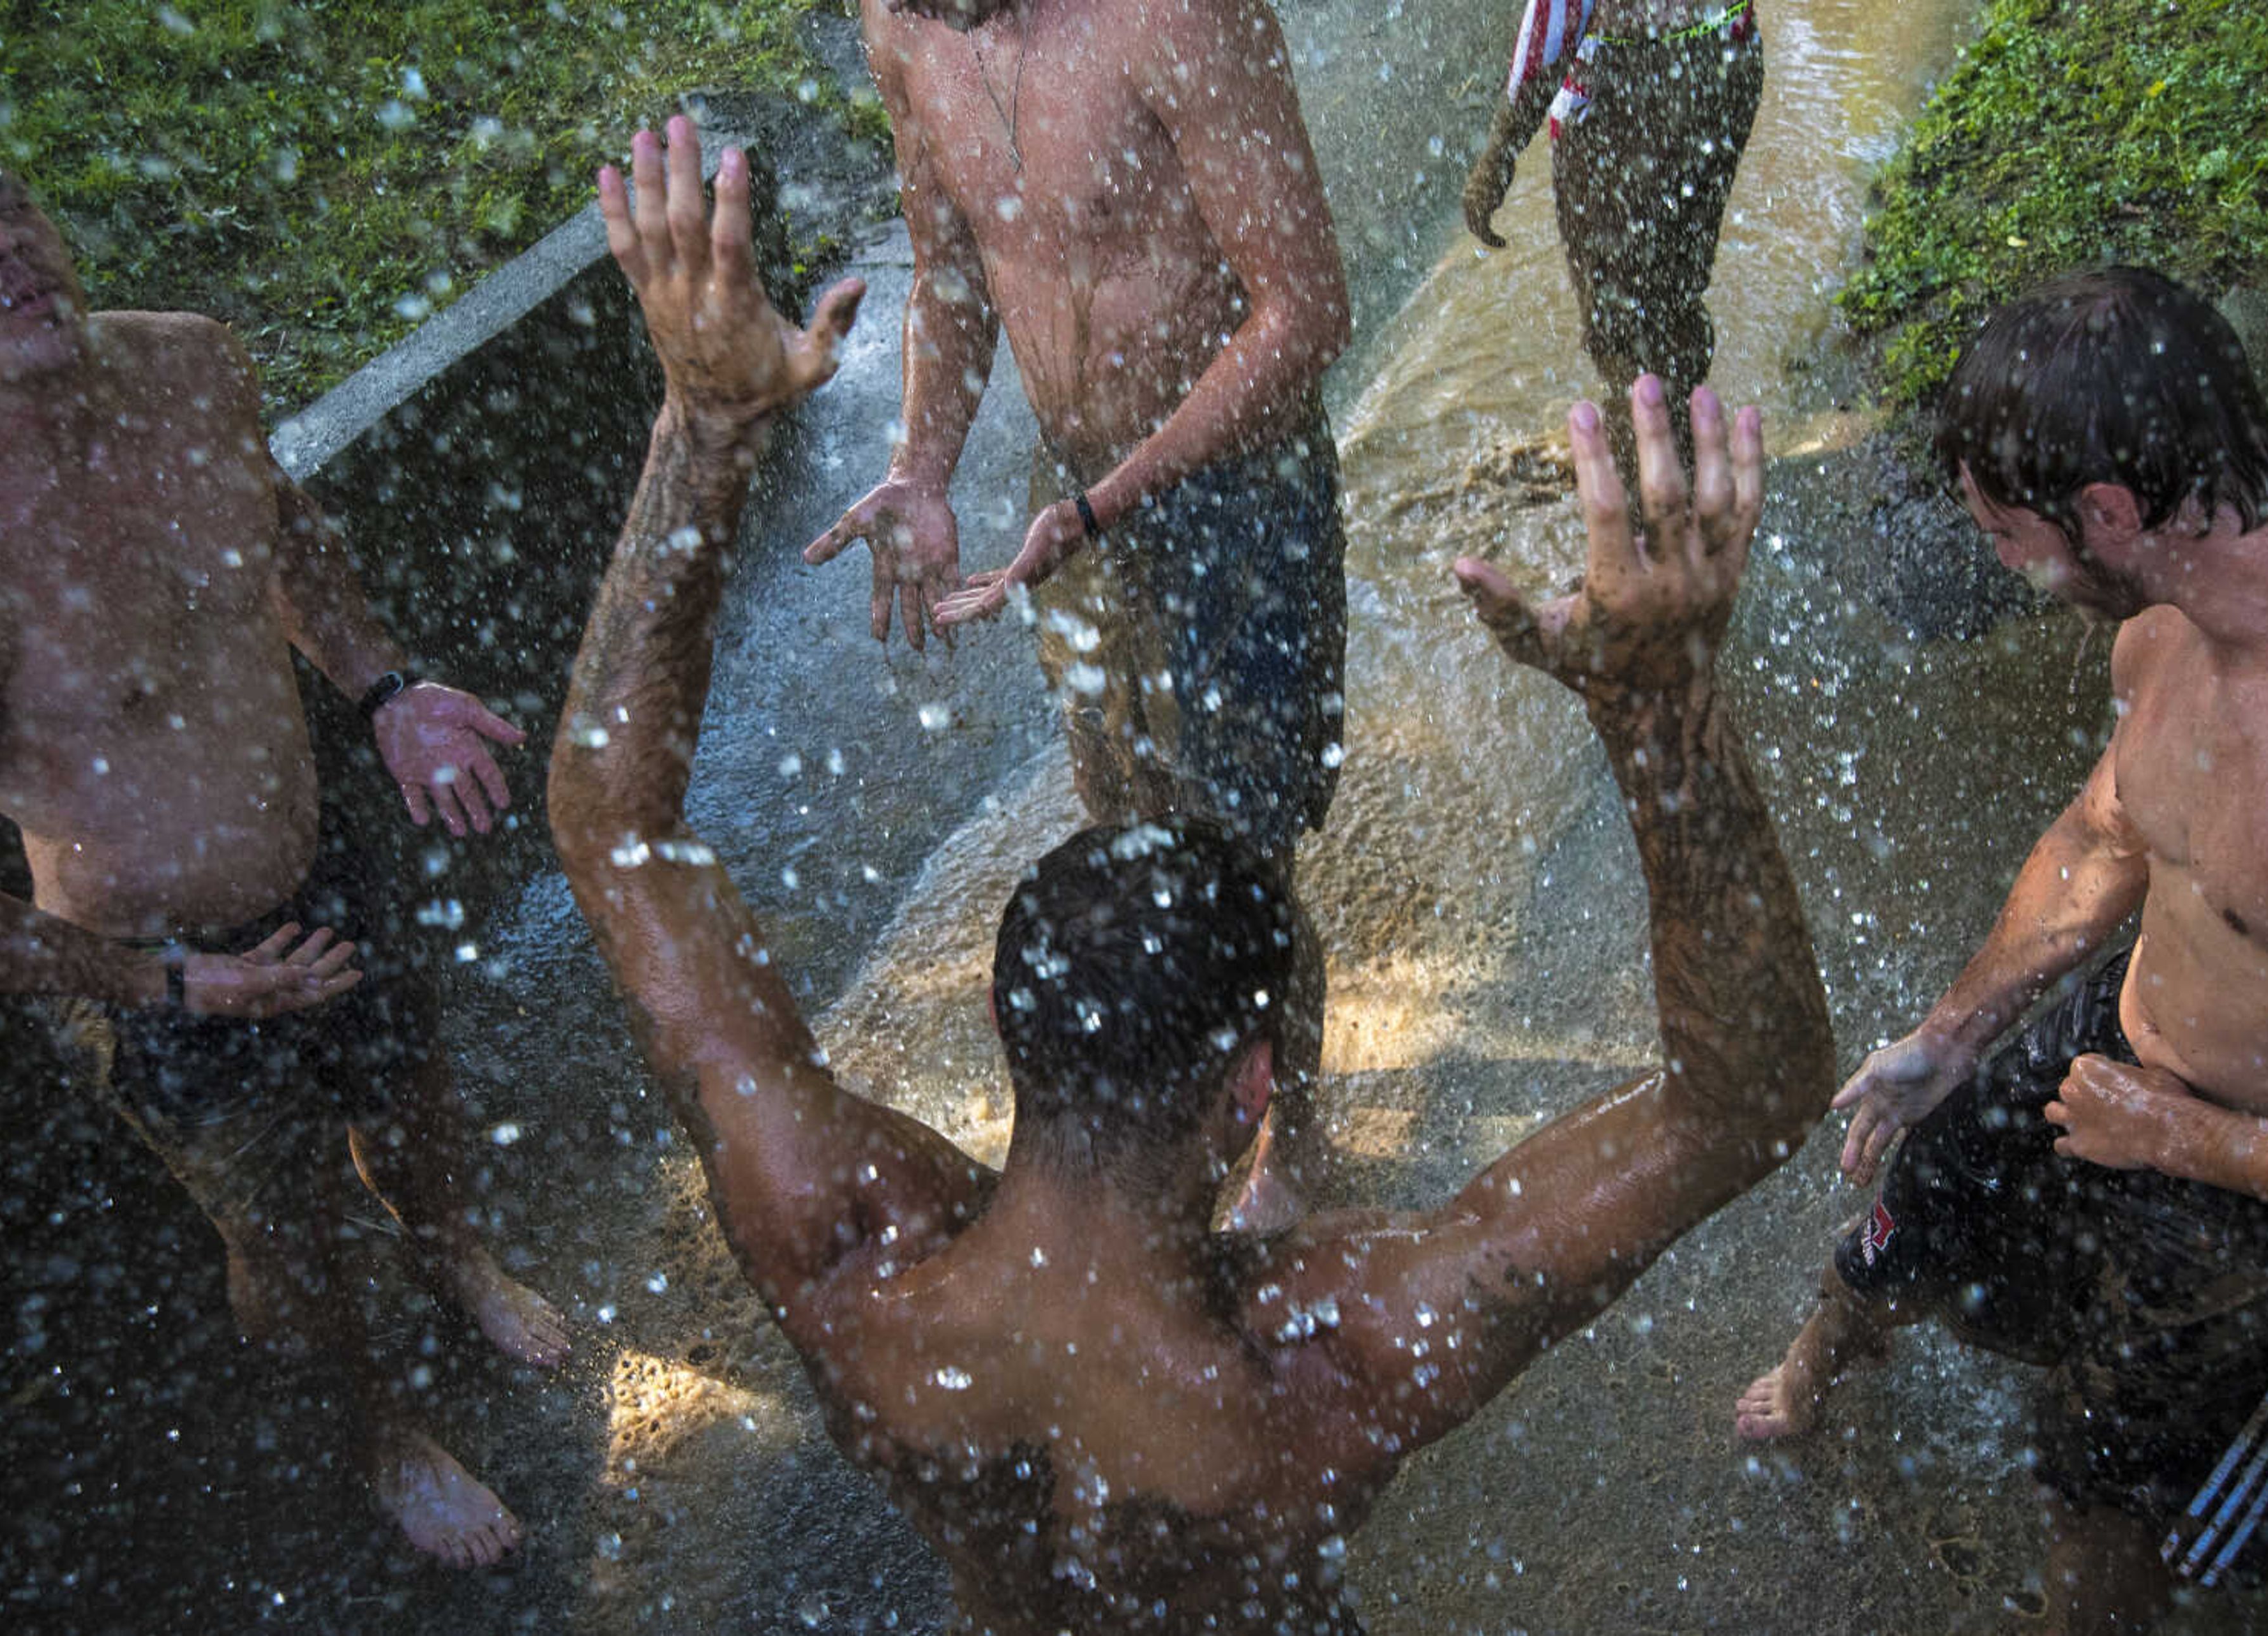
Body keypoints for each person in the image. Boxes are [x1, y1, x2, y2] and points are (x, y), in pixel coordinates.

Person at [552, 116, 1832, 1633]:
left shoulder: (845, 1254)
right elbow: (1745, 1101)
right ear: (1245, 1093)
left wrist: (702, 431)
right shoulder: (1335, 1356)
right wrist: (1661, 715)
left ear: (1005, 1025)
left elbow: (607, 825)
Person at [0, 105, 568, 1568]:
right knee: (291, 1250)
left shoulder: (187, 361)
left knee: (414, 1093)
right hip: (161, 972)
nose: (1, 240)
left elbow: (289, 528)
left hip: (324, 861)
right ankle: (380, 1434)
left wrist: (378, 686)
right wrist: (167, 992)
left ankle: (451, 1255)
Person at [1735, 267, 2268, 1632]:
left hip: (2262, 1176)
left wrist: (2189, 1144)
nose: (2003, 565)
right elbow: (2108, 832)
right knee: (1918, 1189)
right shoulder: (2168, 620)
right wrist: (1954, 1032)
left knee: (2110, 1488)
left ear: (2109, 512)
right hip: (2123, 1046)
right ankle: (1826, 1362)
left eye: (2010, 538)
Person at [799, 0, 1356, 1220]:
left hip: (1239, 499)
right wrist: (926, 465)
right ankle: (1167, 1124)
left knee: (1240, 867)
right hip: (1084, 509)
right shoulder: (902, 27)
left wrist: (1108, 502)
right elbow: (949, 267)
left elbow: (1306, 311)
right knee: (1127, 846)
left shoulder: (1180, 16)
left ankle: (1300, 1139)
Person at [1460, 0, 1762, 481]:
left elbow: (1557, 18)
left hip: (1629, 89)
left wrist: (1499, 155)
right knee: (1674, 294)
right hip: (1728, 57)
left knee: (1621, 322)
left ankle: (1645, 501)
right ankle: (1684, 451)